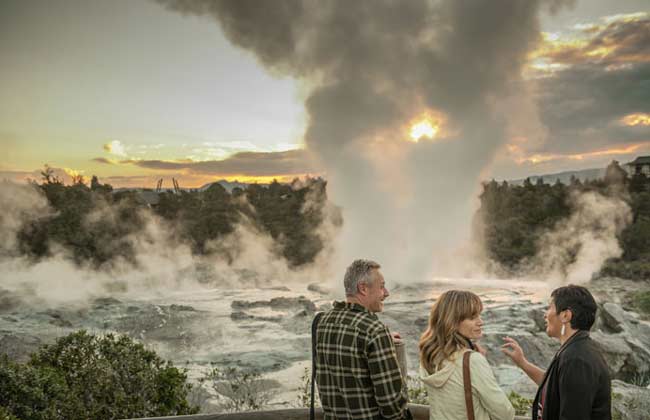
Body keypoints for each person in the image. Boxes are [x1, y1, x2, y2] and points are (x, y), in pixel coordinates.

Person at [314, 259, 411, 420]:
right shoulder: (375, 331)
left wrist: (384, 341)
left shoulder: (324, 322)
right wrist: (382, 339)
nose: (386, 293)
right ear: (363, 288)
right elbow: (391, 405)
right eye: (381, 286)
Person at [501, 285, 611, 420]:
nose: (545, 314)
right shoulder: (576, 348)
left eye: (550, 307)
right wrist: (522, 363)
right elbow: (554, 386)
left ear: (565, 315)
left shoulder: (576, 359)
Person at [418, 290, 515, 420]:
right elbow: (505, 413)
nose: (480, 322)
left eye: (479, 315)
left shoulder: (429, 356)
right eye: (472, 317)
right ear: (452, 321)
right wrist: (478, 362)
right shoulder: (472, 361)